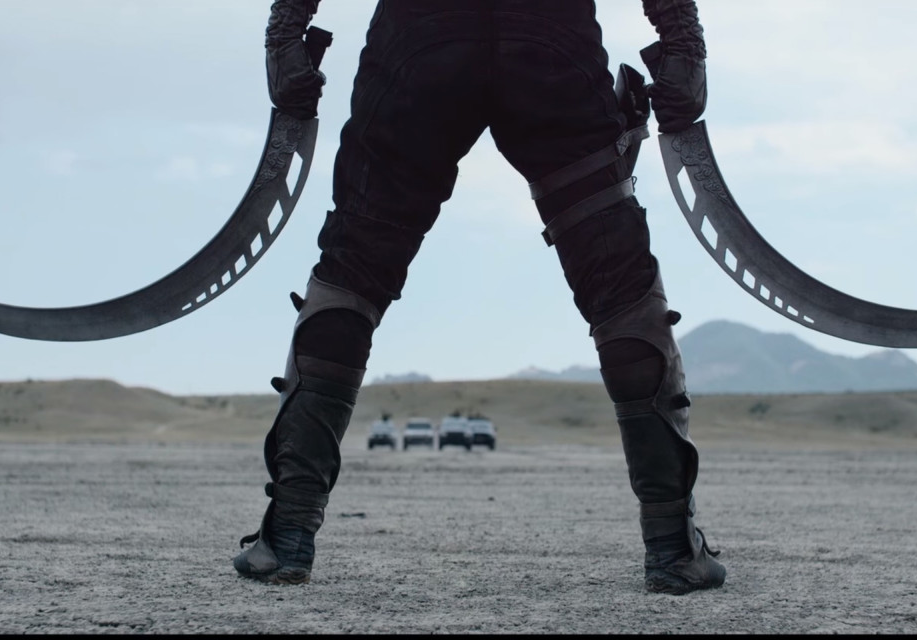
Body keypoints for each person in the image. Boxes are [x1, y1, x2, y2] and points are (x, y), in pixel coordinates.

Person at [234, 0, 725, 595]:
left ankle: (288, 535)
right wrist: (682, 40)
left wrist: (285, 33)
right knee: (620, 290)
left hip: (421, 41)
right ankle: (673, 547)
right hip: (549, 42)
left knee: (352, 272)